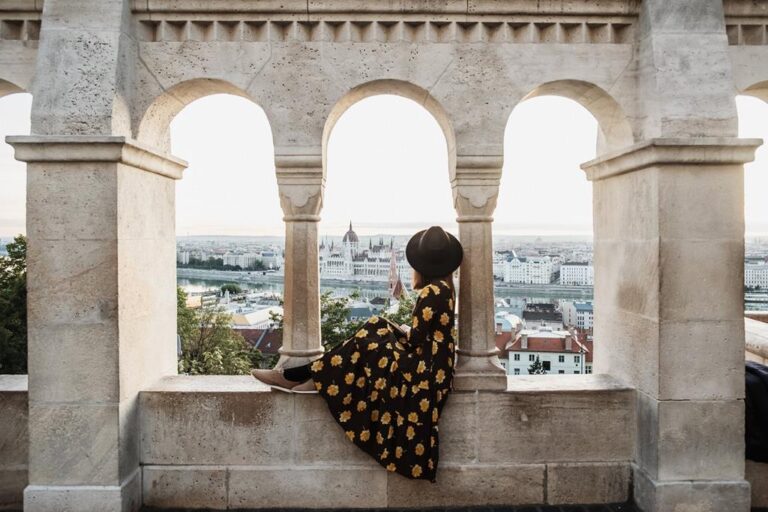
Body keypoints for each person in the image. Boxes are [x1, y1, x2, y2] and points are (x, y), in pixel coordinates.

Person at [251, 226, 462, 482]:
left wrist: (405, 329)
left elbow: (417, 337)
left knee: (369, 334)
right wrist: (403, 329)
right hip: (434, 365)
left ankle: (301, 375)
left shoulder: (431, 291)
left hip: (424, 369)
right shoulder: (446, 288)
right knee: (375, 326)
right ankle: (308, 375)